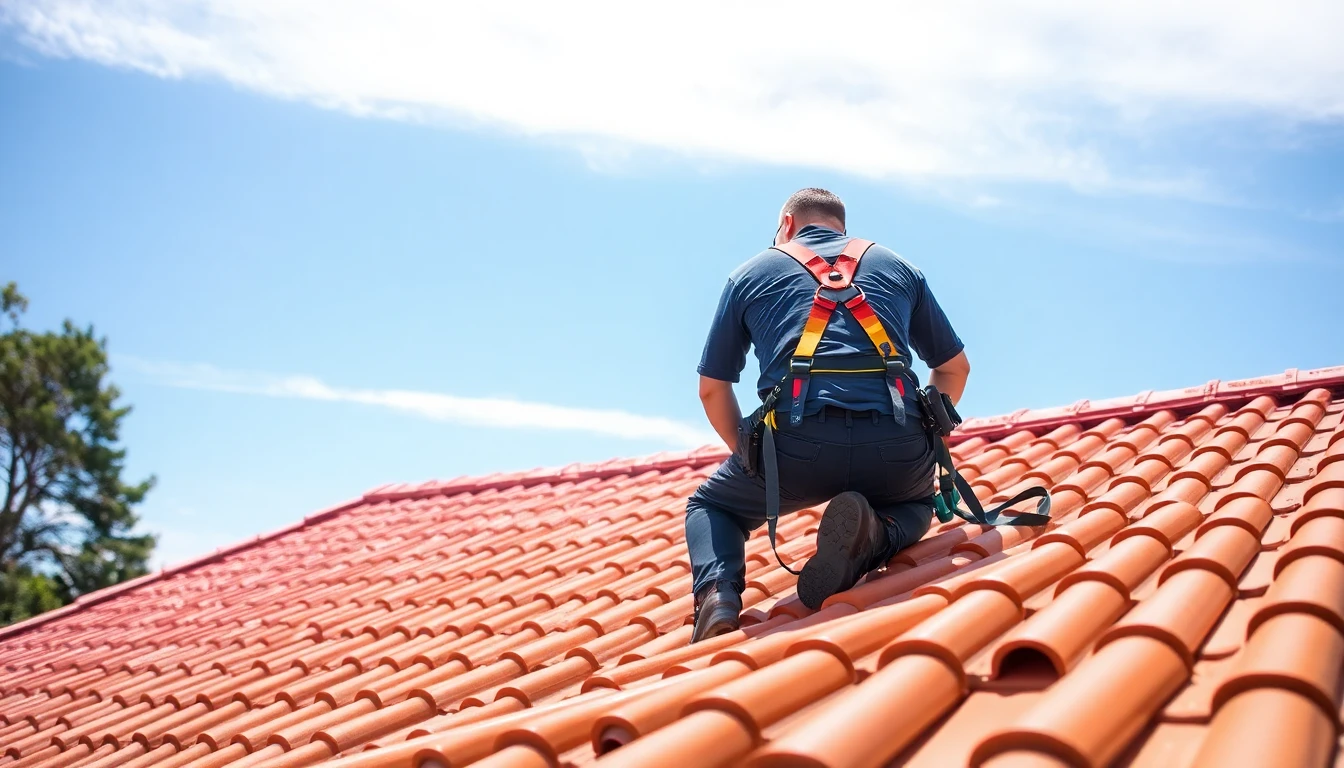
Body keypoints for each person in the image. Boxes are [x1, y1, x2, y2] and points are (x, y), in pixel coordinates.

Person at [687, 187, 971, 643]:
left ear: (786, 225)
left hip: (797, 449)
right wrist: (928, 425)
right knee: (916, 503)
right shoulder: (899, 267)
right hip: (895, 446)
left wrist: (749, 452)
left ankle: (718, 598)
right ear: (841, 225)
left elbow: (712, 389)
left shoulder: (750, 273)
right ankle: (877, 534)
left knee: (710, 505)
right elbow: (954, 368)